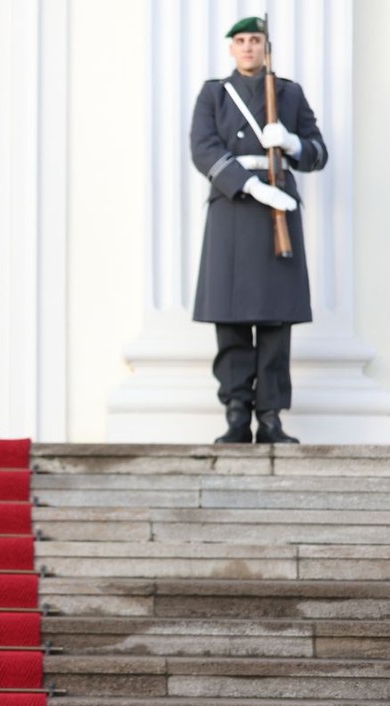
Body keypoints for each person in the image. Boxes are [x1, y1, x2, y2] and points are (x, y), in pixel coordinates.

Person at [191, 15, 328, 444]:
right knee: (231, 318)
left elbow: (317, 152)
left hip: (279, 212)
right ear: (231, 48)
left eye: (256, 40)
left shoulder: (289, 93)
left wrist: (290, 142)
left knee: (275, 321)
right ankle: (236, 414)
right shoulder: (215, 93)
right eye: (241, 40)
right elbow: (203, 147)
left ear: (265, 47)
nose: (249, 47)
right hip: (233, 209)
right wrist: (248, 185)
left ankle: (270, 417)